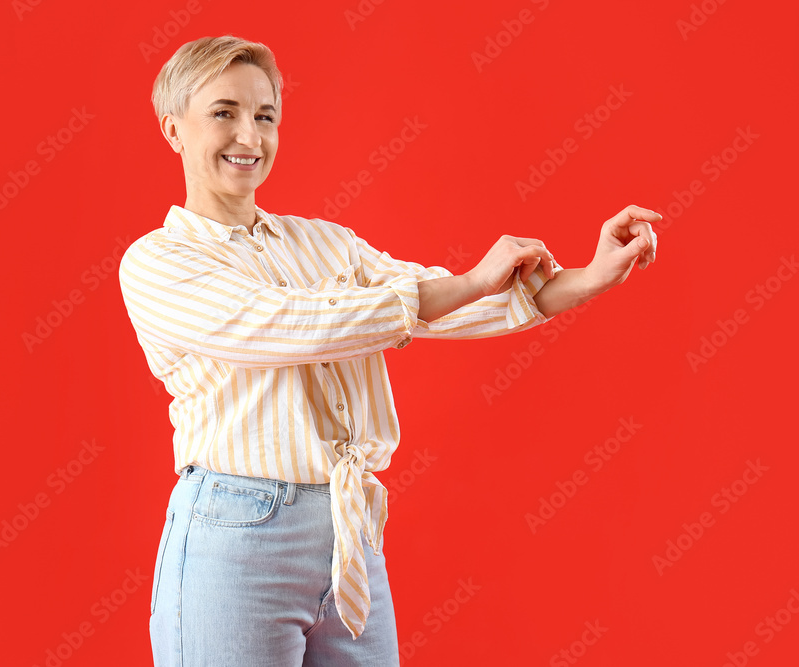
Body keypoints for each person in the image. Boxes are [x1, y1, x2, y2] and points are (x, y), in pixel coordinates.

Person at [119, 34, 659, 666]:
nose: (250, 135)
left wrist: (589, 276)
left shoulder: (326, 243)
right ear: (172, 129)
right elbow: (289, 326)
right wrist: (462, 283)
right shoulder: (157, 262)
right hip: (234, 533)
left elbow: (441, 307)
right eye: (224, 112)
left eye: (265, 116)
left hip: (349, 531)